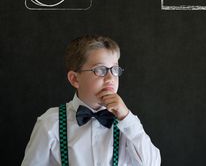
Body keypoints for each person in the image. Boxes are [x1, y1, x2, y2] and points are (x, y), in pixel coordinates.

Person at [21, 35, 161, 166]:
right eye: (100, 70)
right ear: (75, 79)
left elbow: (152, 163)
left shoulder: (127, 124)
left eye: (115, 69)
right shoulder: (50, 123)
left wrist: (126, 118)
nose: (110, 78)